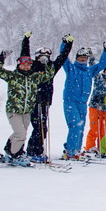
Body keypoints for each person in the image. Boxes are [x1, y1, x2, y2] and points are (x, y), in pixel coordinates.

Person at [0, 51, 54, 165]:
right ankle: (16, 155)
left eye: (28, 64)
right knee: (20, 134)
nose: (26, 67)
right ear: (19, 65)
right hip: (14, 110)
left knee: (19, 133)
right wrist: (1, 58)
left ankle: (9, 149)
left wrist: (49, 64)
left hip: (27, 111)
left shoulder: (34, 77)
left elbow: (49, 75)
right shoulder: (13, 76)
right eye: (23, 64)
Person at [20, 33, 73, 162]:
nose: (44, 59)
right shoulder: (32, 67)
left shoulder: (51, 68)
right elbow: (24, 54)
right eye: (42, 56)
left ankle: (37, 150)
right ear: (37, 57)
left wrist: (68, 44)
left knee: (43, 127)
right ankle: (33, 151)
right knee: (38, 127)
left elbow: (62, 57)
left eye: (47, 56)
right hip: (33, 101)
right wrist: (26, 40)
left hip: (45, 102)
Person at [61, 42, 106, 159]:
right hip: (70, 101)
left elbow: (102, 65)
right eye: (80, 57)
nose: (82, 59)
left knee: (81, 126)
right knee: (75, 125)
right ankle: (71, 151)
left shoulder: (89, 71)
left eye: (84, 58)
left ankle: (76, 149)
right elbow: (63, 56)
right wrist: (65, 44)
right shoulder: (70, 68)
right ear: (76, 58)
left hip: (82, 102)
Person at [84, 65, 106, 154]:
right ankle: (90, 147)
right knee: (94, 128)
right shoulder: (99, 77)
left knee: (105, 128)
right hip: (94, 106)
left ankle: (103, 147)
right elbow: (94, 67)